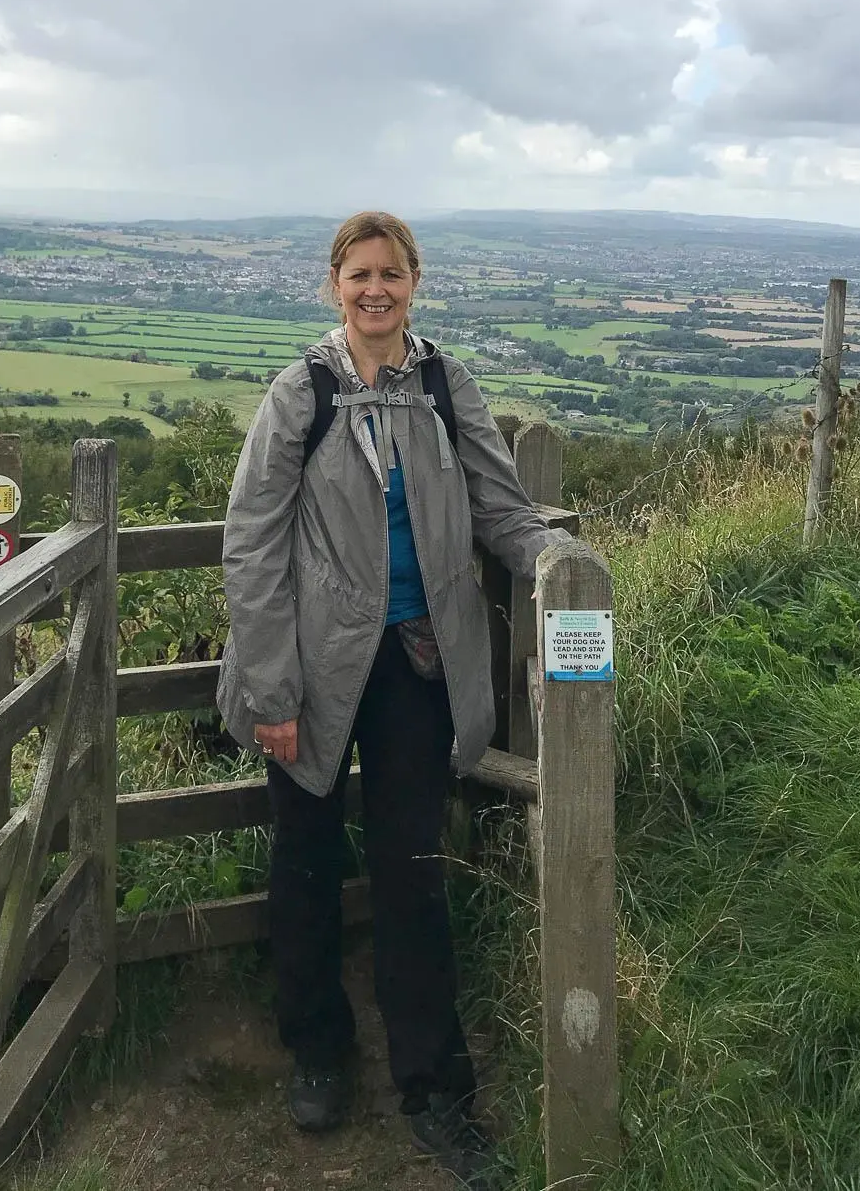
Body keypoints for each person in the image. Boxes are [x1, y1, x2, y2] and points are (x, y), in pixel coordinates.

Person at [216, 211, 569, 1187]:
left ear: (415, 284)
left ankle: (434, 1087)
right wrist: (273, 690)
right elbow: (251, 547)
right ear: (334, 285)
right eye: (360, 274)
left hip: (416, 662)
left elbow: (502, 509)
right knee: (307, 859)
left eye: (392, 274)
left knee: (414, 870)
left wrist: (564, 566)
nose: (376, 290)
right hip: (310, 668)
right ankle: (318, 1051)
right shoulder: (302, 394)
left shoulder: (447, 387)